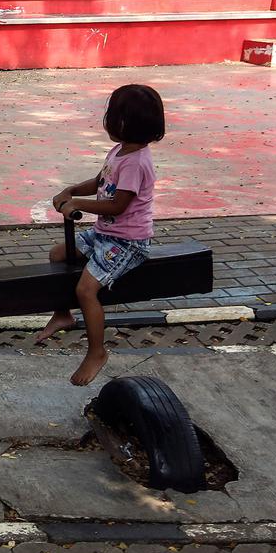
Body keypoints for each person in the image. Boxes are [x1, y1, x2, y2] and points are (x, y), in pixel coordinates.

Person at [36, 84, 163, 385]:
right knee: (58, 254)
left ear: (122, 123)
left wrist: (77, 203)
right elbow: (101, 180)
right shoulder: (120, 151)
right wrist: (72, 190)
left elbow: (118, 205)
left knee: (86, 290)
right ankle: (63, 313)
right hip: (104, 233)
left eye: (110, 115)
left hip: (127, 242)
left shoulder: (137, 162)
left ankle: (96, 351)